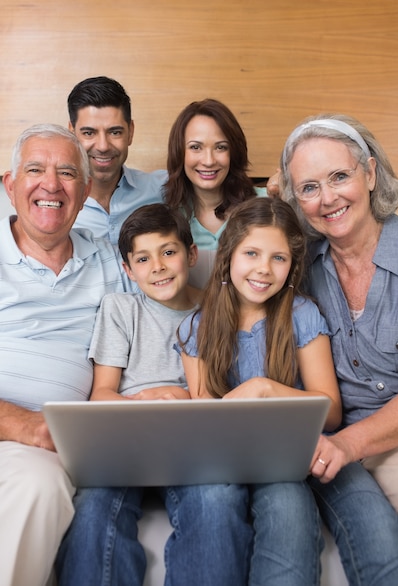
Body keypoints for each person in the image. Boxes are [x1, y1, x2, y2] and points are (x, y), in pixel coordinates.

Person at [56, 203, 253, 586]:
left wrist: (184, 399)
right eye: (143, 259)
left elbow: (223, 392)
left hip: (197, 440)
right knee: (94, 509)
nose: (158, 267)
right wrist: (145, 402)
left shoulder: (219, 310)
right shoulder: (121, 308)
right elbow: (102, 395)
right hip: (127, 436)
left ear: (191, 254)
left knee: (218, 501)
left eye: (168, 252)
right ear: (128, 270)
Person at [279, 114, 398, 581]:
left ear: (371, 173)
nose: (328, 199)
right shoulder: (297, 269)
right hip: (327, 449)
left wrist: (347, 444)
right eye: (310, 187)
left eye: (340, 176)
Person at [176, 196, 342, 585]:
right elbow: (204, 414)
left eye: (278, 258)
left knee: (290, 513)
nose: (263, 270)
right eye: (251, 253)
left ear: (292, 265)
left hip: (284, 462)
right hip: (222, 460)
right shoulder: (195, 327)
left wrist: (265, 388)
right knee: (214, 503)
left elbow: (331, 410)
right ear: (228, 256)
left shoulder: (301, 314)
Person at [0, 124, 125, 586]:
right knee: (39, 479)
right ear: (11, 186)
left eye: (67, 173)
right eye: (35, 170)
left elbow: (159, 322)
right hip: (19, 433)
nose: (51, 185)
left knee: (41, 478)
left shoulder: (111, 261)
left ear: (86, 189)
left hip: (60, 445)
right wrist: (23, 425)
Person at [163, 98, 267, 288]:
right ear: (179, 152)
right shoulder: (167, 216)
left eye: (220, 147)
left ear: (233, 152)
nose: (209, 161)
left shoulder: (266, 204)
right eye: (196, 147)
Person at [68, 76, 166, 245]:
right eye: (89, 133)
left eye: (114, 132)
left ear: (131, 132)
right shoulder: (56, 202)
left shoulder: (164, 189)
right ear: (72, 133)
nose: (103, 146)